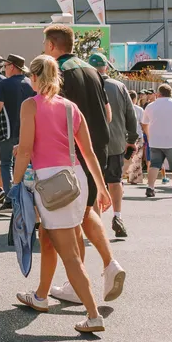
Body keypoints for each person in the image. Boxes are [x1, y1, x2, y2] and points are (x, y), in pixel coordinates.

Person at [12, 55, 108, 333]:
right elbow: (87, 152)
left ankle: (93, 314)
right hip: (76, 177)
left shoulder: (30, 105)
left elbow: (27, 150)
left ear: (33, 77)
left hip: (51, 183)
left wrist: (15, 184)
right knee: (54, 240)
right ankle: (41, 296)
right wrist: (101, 187)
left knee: (70, 253)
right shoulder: (70, 107)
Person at [42, 24, 125, 306]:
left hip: (71, 152)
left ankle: (77, 284)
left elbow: (55, 113)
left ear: (52, 46)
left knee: (71, 217)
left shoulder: (58, 72)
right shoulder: (92, 70)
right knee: (86, 210)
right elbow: (108, 113)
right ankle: (109, 263)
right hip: (97, 147)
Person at [87, 53, 138, 239]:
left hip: (91, 144)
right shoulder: (119, 87)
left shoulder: (86, 86)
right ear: (106, 68)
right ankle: (117, 216)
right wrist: (131, 138)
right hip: (116, 142)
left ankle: (97, 222)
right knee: (115, 180)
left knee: (93, 182)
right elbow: (130, 115)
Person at [0, 54, 34, 210]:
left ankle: (10, 198)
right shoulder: (31, 83)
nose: (4, 69)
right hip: (28, 129)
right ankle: (26, 196)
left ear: (12, 67)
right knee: (25, 164)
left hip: (9, 130)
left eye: (6, 66)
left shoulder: (4, 84)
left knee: (6, 164)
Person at [142, 83, 172, 197]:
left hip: (155, 140)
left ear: (158, 93)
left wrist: (149, 135)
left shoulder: (150, 106)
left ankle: (150, 187)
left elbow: (144, 124)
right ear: (171, 93)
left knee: (154, 164)